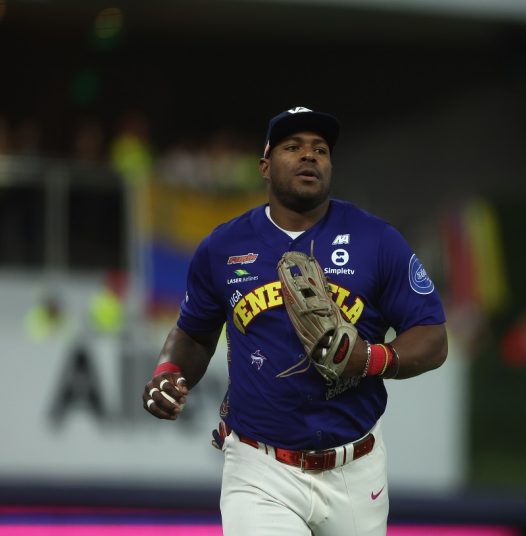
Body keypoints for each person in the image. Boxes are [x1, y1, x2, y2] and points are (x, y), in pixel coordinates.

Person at [142, 106, 448, 535]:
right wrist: (168, 371)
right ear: (265, 167)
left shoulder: (376, 240)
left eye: (320, 149)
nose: (309, 156)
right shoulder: (224, 247)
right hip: (259, 467)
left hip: (355, 468)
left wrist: (372, 358)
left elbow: (433, 336)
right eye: (293, 147)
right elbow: (193, 333)